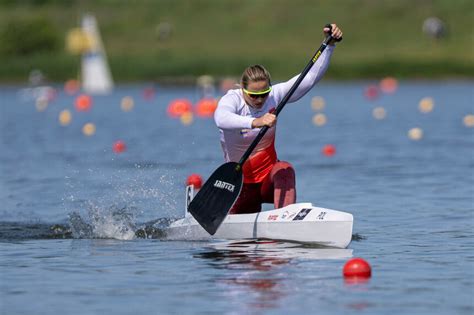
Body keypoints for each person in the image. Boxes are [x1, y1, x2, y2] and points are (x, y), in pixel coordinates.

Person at [214, 24, 343, 214]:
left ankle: (285, 217)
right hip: (241, 184)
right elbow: (221, 118)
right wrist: (256, 122)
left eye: (264, 94)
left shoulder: (275, 96)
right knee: (239, 243)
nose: (259, 100)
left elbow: (308, 79)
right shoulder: (232, 99)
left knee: (284, 169)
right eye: (253, 95)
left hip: (268, 179)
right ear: (243, 89)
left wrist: (329, 46)